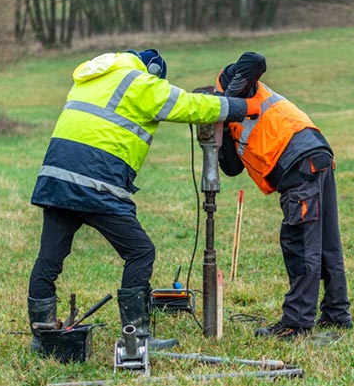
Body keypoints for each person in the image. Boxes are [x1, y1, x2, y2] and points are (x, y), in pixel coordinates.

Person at [27, 48, 259, 353]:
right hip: (97, 183)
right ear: (152, 69)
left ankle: (42, 337)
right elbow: (188, 104)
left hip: (57, 179)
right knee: (140, 251)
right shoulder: (140, 82)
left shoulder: (91, 77)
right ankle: (136, 337)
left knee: (50, 257)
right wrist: (238, 107)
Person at [216, 51, 352, 339]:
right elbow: (230, 167)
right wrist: (219, 127)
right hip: (315, 154)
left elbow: (254, 60)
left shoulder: (231, 84)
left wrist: (228, 98)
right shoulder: (226, 121)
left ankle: (297, 323)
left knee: (299, 243)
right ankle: (337, 313)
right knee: (326, 241)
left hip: (297, 160)